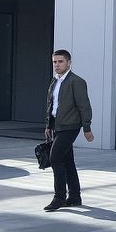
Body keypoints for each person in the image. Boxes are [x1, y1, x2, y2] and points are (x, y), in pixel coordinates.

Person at [44, 49, 94, 211]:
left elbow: (84, 106)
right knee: (67, 161)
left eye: (61, 61)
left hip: (70, 126)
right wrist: (49, 125)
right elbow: (52, 106)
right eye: (55, 62)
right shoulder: (54, 81)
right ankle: (74, 197)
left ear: (69, 63)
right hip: (57, 126)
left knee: (55, 158)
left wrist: (87, 128)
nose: (57, 65)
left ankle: (59, 198)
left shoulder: (76, 82)